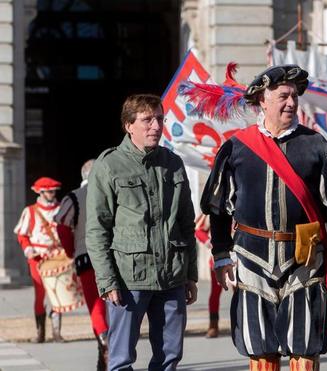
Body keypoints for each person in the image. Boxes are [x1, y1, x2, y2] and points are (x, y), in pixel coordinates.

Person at [200, 64, 327, 371]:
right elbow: (216, 208)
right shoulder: (235, 147)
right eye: (283, 95)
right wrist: (220, 254)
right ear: (263, 100)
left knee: (305, 344)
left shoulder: (317, 145)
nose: (291, 103)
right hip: (250, 258)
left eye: (295, 96)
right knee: (260, 347)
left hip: (304, 260)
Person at [86, 94, 198, 371]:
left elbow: (187, 223)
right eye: (147, 120)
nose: (156, 126)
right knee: (121, 358)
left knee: (170, 356)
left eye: (159, 118)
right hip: (128, 279)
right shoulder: (108, 165)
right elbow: (97, 229)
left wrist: (190, 275)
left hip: (172, 276)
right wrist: (107, 281)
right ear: (129, 125)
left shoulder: (173, 163)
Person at [55, 159, 109, 371]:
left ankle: (104, 340)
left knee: (95, 306)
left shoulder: (73, 197)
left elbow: (62, 227)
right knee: (114, 306)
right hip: (113, 256)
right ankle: (109, 350)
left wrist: (70, 251)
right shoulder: (111, 193)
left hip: (86, 258)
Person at [14, 176, 65, 343]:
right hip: (37, 258)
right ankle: (40, 333)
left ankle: (57, 333)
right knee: (40, 294)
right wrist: (28, 249)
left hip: (58, 257)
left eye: (53, 191)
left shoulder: (61, 209)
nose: (52, 194)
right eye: (48, 192)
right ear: (41, 192)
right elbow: (22, 235)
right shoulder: (30, 211)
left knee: (58, 294)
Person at [194, 213, 223, 338]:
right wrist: (208, 241)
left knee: (240, 294)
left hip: (240, 258)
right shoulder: (213, 208)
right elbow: (198, 230)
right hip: (218, 258)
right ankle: (213, 325)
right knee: (216, 292)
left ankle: (240, 325)